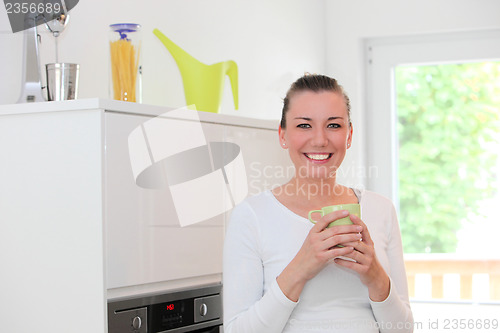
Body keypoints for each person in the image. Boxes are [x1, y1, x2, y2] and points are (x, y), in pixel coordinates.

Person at [223, 74, 414, 332]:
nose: (320, 139)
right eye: (304, 125)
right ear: (283, 135)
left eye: (333, 126)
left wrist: (376, 276)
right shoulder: (251, 216)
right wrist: (300, 267)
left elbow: (403, 330)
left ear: (349, 135)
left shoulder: (381, 210)